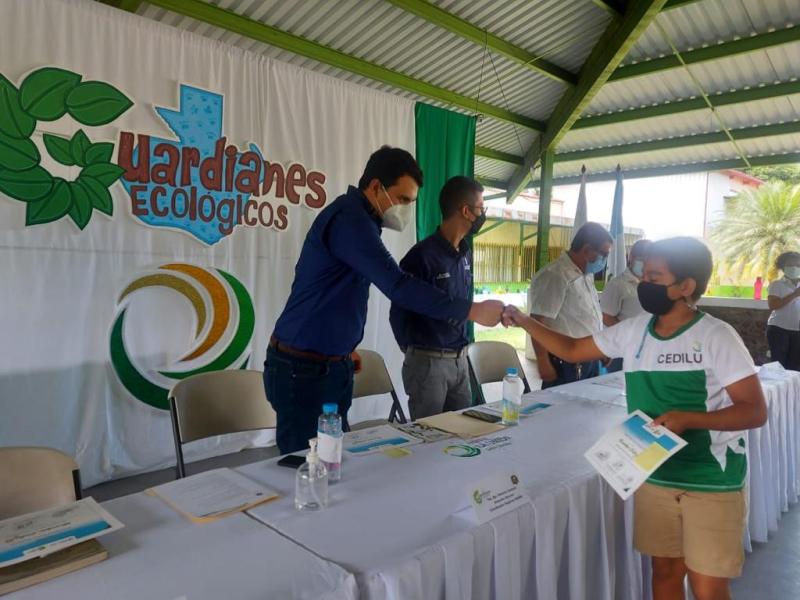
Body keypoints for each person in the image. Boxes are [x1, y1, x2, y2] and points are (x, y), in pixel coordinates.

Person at [503, 237, 767, 600]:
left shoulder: (716, 336)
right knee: (665, 572)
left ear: (685, 286)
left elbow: (754, 409)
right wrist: (523, 321)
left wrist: (689, 419)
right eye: (644, 274)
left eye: (655, 277)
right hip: (655, 473)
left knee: (707, 585)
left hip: (710, 479)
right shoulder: (635, 330)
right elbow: (574, 349)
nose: (643, 283)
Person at [264, 146, 504, 454]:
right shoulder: (350, 220)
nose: (405, 209)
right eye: (402, 199)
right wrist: (470, 310)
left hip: (330, 364)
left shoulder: (363, 222)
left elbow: (337, 293)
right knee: (307, 463)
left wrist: (342, 347)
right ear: (376, 187)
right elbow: (398, 286)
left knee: (331, 458)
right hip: (303, 369)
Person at [389, 176, 484, 420]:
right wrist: (415, 352)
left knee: (464, 431)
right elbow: (398, 311)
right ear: (466, 211)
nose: (483, 214)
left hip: (460, 361)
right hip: (428, 365)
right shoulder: (421, 256)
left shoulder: (465, 253)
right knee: (429, 436)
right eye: (480, 208)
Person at [527, 221, 611, 388]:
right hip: (565, 363)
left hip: (590, 356)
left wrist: (601, 348)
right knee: (563, 404)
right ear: (587, 250)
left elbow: (589, 318)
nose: (605, 260)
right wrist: (543, 361)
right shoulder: (555, 275)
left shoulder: (586, 274)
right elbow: (537, 321)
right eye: (603, 254)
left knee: (589, 403)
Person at [600, 238, 652, 372]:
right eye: (642, 260)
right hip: (622, 348)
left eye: (649, 261)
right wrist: (631, 334)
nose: (645, 265)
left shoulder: (652, 284)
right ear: (631, 257)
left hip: (647, 347)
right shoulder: (617, 284)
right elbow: (606, 317)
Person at [766, 251, 800, 370]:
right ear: (782, 266)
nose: (794, 268)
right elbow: (773, 305)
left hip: (797, 330)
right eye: (790, 265)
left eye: (798, 265)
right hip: (779, 329)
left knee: (794, 367)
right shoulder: (776, 284)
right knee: (779, 366)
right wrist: (794, 294)